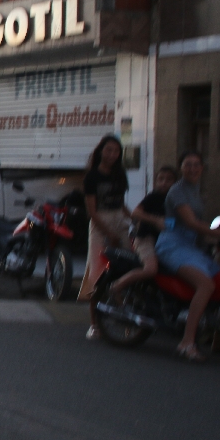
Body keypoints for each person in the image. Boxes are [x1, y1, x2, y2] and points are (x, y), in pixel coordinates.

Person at [155, 150, 220, 361]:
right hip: (172, 245)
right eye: (187, 164)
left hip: (191, 247)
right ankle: (187, 341)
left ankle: (218, 339)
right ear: (181, 168)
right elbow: (191, 223)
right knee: (206, 285)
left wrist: (215, 242)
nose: (192, 168)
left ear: (202, 168)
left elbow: (198, 227)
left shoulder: (196, 190)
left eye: (196, 164)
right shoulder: (177, 191)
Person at [78, 135, 131, 340]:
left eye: (116, 151)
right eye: (108, 150)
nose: (112, 154)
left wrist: (134, 219)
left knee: (130, 264)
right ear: (100, 151)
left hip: (119, 219)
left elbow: (121, 204)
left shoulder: (120, 174)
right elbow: (92, 211)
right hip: (100, 223)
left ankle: (126, 312)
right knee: (97, 273)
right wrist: (109, 234)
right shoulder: (92, 177)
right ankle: (94, 324)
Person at [107, 166, 178, 297]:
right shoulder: (153, 197)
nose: (164, 183)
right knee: (151, 269)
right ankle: (117, 286)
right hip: (146, 239)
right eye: (161, 179)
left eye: (169, 180)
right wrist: (156, 220)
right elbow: (136, 213)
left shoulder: (176, 200)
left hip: (166, 241)